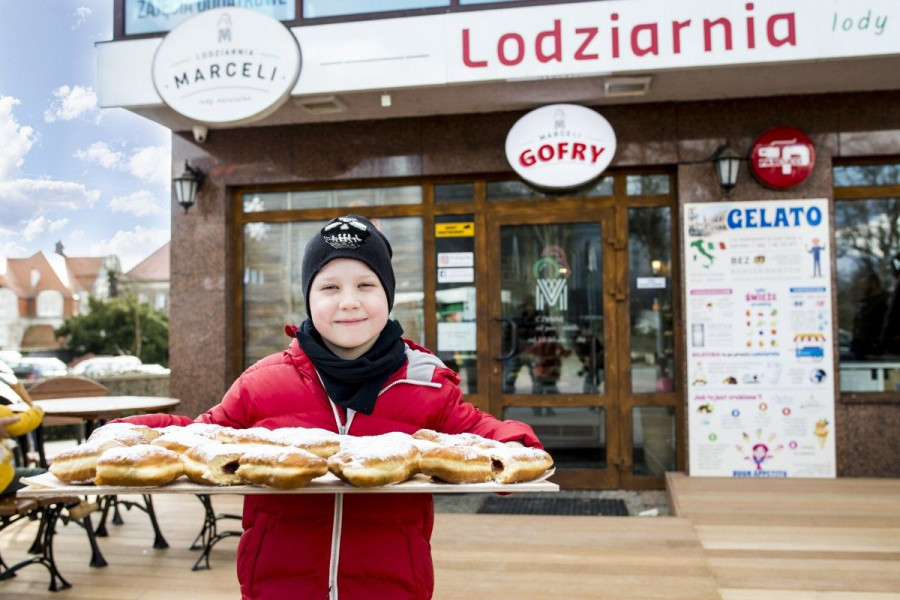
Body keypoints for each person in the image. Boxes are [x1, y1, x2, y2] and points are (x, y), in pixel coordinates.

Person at [114, 215, 543, 600]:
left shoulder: (425, 383)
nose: (349, 301)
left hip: (390, 587)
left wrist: (518, 446)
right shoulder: (264, 382)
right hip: (280, 586)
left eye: (366, 285)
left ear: (388, 294)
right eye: (330, 287)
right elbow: (200, 437)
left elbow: (480, 435)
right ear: (309, 298)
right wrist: (129, 433)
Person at [0, 380, 45, 497]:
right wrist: (36, 410)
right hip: (3, 480)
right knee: (44, 475)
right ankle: (72, 504)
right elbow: (24, 422)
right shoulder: (2, 413)